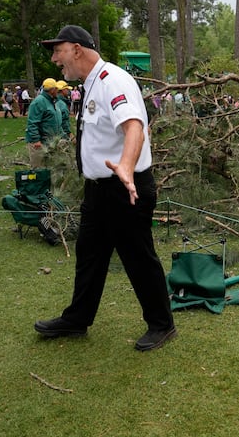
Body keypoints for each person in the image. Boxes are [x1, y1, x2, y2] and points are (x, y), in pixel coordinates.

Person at [35, 25, 176, 351]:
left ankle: (162, 324)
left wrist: (125, 166)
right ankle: (77, 319)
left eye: (58, 50)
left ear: (77, 49)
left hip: (124, 188)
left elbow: (134, 127)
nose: (55, 59)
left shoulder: (112, 80)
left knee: (138, 257)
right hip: (98, 190)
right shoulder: (92, 83)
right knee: (89, 255)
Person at [25, 78, 66, 167]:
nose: (58, 91)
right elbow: (32, 123)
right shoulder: (39, 102)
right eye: (56, 89)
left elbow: (57, 122)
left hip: (51, 142)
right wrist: (36, 140)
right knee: (39, 169)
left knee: (51, 168)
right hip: (40, 143)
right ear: (52, 90)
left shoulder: (52, 101)